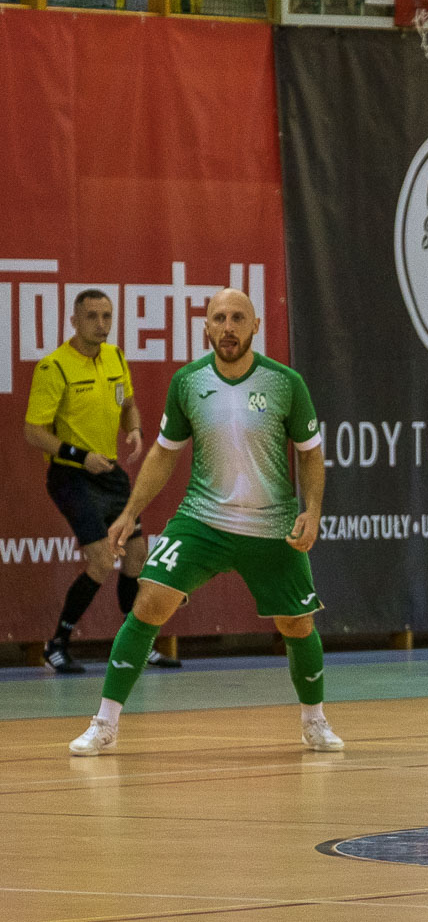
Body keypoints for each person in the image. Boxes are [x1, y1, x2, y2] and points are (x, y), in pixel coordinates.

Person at [68, 288, 342, 756]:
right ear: (206, 327)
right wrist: (129, 513)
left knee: (297, 624)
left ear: (256, 326)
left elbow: (311, 456)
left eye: (238, 318)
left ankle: (314, 721)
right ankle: (104, 723)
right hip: (203, 519)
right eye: (219, 318)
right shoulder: (188, 382)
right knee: (149, 601)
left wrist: (312, 511)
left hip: (270, 526)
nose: (228, 327)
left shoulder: (286, 383)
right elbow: (162, 455)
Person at [24, 289, 181, 673]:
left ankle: (135, 645)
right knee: (101, 559)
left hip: (109, 473)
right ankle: (56, 646)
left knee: (136, 556)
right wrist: (80, 456)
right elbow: (33, 431)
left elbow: (128, 405)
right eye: (91, 316)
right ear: (74, 321)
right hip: (71, 476)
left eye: (107, 316)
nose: (101, 323)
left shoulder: (116, 357)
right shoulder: (54, 367)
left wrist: (135, 429)